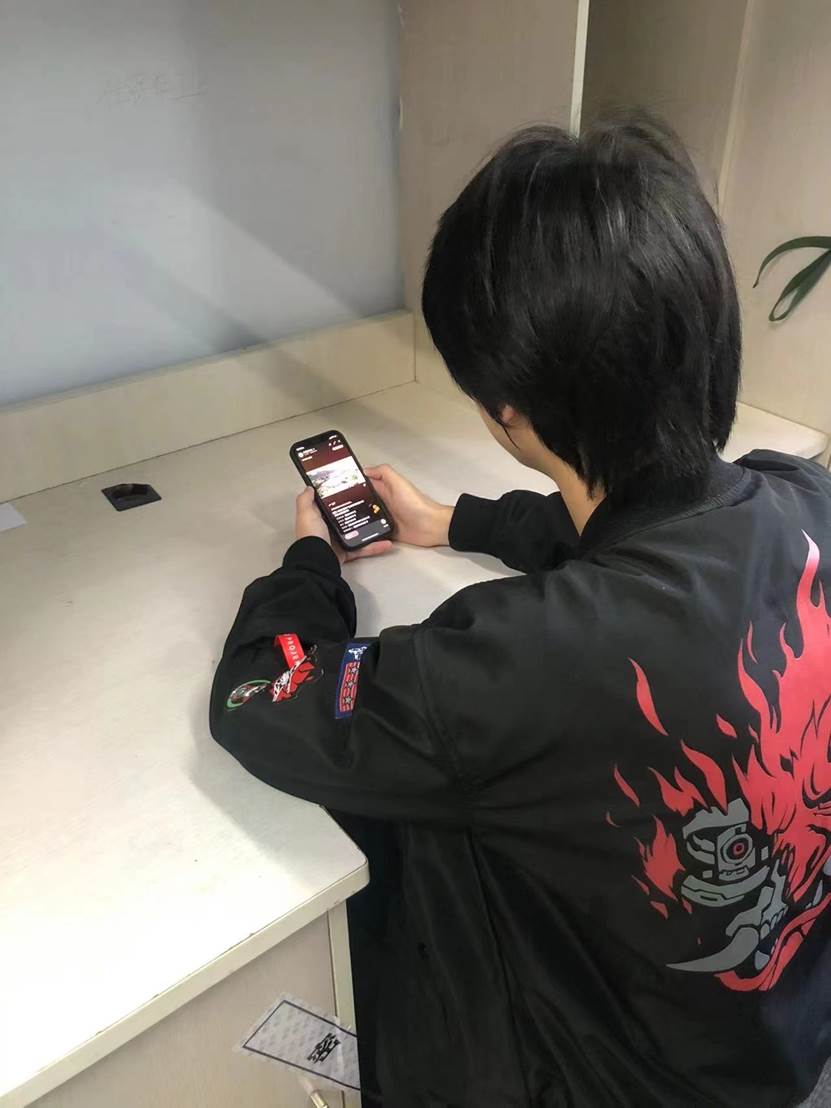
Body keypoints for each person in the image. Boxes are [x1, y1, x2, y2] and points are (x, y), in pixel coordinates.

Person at [210, 113, 831, 1107]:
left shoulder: (515, 661)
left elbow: (262, 697)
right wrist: (458, 520)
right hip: (776, 1042)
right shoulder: (802, 498)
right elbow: (657, 532)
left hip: (606, 1080)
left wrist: (308, 566)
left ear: (506, 407)